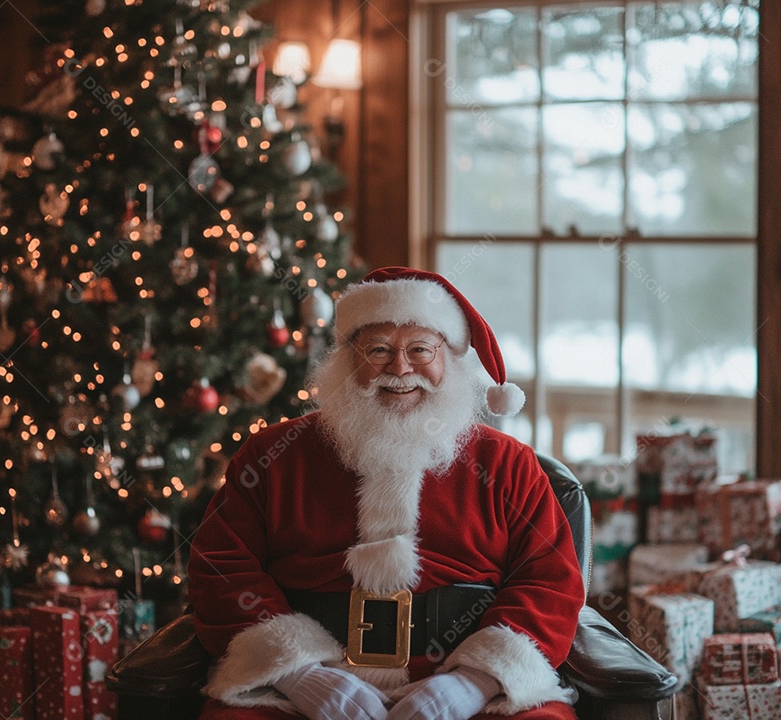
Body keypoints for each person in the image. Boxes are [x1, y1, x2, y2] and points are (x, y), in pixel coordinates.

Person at [187, 267, 586, 720]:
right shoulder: (271, 456)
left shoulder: (508, 465)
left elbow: (549, 583)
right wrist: (301, 676)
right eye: (377, 350)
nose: (399, 369)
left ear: (449, 359)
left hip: (477, 690)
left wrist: (471, 684)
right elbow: (221, 570)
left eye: (420, 349)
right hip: (296, 690)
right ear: (347, 359)